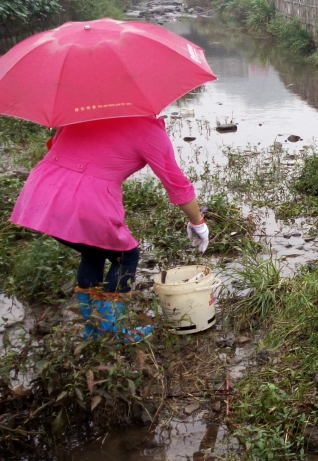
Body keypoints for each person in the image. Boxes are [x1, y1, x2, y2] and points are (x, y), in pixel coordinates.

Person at [10, 116, 209, 342]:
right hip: (84, 200)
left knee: (93, 251)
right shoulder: (146, 127)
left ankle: (93, 328)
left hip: (41, 191)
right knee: (126, 257)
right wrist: (197, 221)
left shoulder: (83, 112)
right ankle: (112, 331)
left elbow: (56, 146)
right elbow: (176, 183)